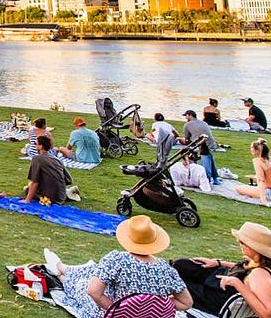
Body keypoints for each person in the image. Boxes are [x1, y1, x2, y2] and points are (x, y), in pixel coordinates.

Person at [43, 215, 192, 316]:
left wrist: (118, 310)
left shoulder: (117, 259)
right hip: (134, 310)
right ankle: (63, 268)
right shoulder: (167, 270)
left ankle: (60, 272)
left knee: (82, 285)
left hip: (112, 312)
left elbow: (93, 292)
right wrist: (153, 305)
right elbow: (186, 302)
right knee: (93, 270)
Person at [173, 222, 271, 316]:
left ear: (254, 248)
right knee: (180, 265)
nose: (239, 244)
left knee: (174, 284)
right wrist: (218, 263)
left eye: (242, 242)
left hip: (216, 298)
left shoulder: (260, 274)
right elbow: (245, 270)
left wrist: (237, 283)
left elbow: (267, 313)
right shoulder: (257, 261)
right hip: (218, 279)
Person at [22, 135, 72, 204]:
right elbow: (69, 180)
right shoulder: (56, 159)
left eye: (35, 143)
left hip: (50, 198)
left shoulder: (37, 159)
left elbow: (34, 182)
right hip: (61, 197)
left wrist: (27, 200)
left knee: (27, 188)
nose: (34, 145)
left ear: (41, 146)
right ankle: (68, 192)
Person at [180, 110, 220, 185]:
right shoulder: (204, 122)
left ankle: (205, 178)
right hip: (211, 144)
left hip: (201, 145)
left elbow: (187, 139)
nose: (185, 118)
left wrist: (179, 139)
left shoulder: (187, 125)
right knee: (209, 157)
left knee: (193, 153)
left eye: (186, 116)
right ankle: (215, 178)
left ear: (190, 115)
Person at [235, 138, 271, 207]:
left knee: (238, 188)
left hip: (268, 192)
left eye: (252, 148)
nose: (251, 149)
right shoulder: (269, 159)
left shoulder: (257, 161)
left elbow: (261, 181)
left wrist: (263, 200)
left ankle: (257, 195)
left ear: (257, 150)